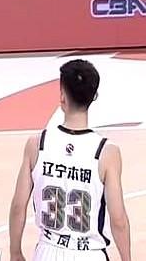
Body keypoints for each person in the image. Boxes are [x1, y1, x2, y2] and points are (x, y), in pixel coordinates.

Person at [9, 59, 131, 261]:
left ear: (62, 96)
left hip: (47, 251)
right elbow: (118, 220)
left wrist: (15, 251)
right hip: (89, 253)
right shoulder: (107, 152)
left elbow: (17, 207)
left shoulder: (37, 144)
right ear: (94, 96)